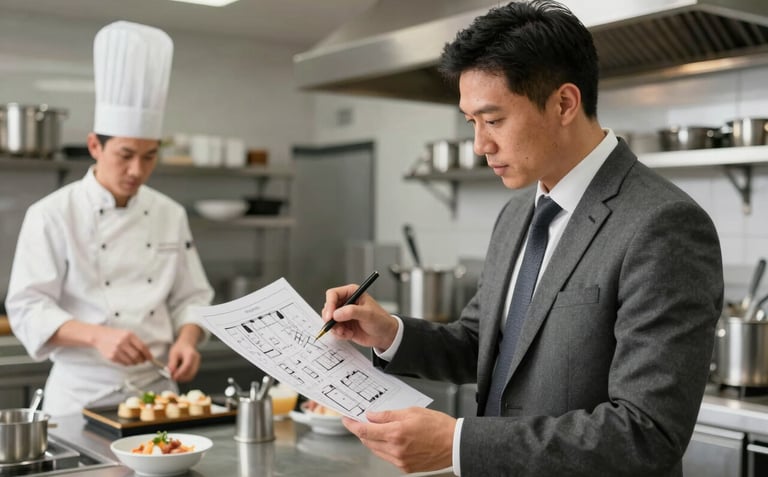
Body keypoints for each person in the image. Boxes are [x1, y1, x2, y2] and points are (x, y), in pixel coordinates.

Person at [321, 1, 724, 476]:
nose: (480, 145)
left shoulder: (663, 223)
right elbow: (483, 344)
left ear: (564, 104)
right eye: (472, 122)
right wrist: (391, 333)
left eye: (493, 120)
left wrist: (457, 444)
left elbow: (647, 435)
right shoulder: (517, 214)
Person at [5, 21, 213, 416]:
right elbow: (28, 308)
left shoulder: (169, 213)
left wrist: (188, 339)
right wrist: (97, 336)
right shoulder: (51, 214)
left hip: (157, 395)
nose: (137, 170)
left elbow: (193, 297)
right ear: (94, 146)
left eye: (149, 156)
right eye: (125, 155)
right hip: (80, 396)